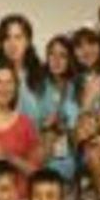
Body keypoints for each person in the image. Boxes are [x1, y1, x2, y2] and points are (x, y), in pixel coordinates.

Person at [0, 58, 42, 200]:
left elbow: (36, 172)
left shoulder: (26, 123)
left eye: (9, 82)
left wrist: (11, 158)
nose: (4, 88)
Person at [0, 14, 46, 124]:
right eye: (7, 38)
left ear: (28, 41)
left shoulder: (40, 75)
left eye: (18, 37)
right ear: (1, 43)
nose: (12, 44)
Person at [38, 35, 80, 180]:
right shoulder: (38, 86)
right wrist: (44, 125)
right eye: (52, 54)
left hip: (69, 160)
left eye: (63, 55)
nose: (56, 60)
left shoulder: (76, 87)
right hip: (42, 157)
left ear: (70, 59)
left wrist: (65, 127)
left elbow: (79, 125)